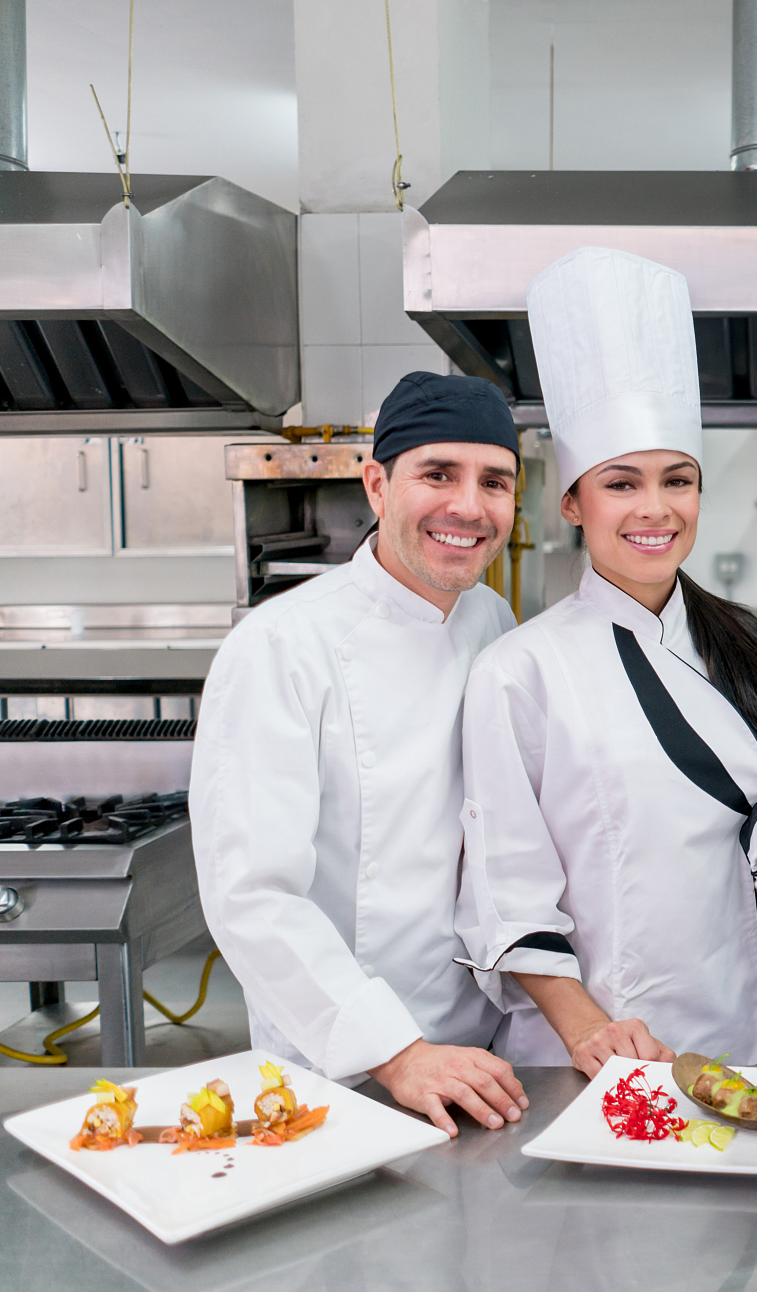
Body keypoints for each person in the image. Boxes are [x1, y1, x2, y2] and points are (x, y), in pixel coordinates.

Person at [454, 248, 757, 1076]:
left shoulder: (743, 640)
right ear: (573, 503)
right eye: (621, 484)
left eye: (677, 480)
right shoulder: (520, 671)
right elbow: (507, 894)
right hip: (608, 1057)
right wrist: (597, 1041)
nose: (655, 509)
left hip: (755, 1045)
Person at [192, 371, 529, 1137]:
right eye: (437, 474)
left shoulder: (491, 618)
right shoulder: (280, 647)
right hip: (334, 1066)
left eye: (495, 481)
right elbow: (252, 895)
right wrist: (396, 1052)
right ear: (376, 485)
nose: (468, 507)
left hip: (477, 1057)